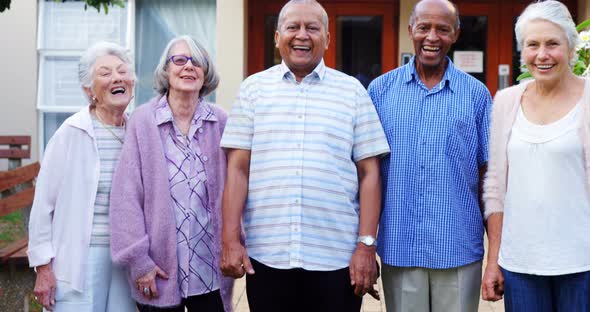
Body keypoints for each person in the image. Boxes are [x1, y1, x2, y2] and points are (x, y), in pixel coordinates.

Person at [219, 0, 390, 311]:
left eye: (312, 28)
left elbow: (370, 174)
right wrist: (230, 241)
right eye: (292, 27)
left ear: (327, 38)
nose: (302, 35)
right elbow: (237, 169)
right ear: (277, 36)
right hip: (268, 257)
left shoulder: (352, 92)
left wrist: (366, 245)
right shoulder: (253, 90)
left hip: (336, 259)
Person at [368, 0, 492, 311]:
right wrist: (364, 245)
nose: (432, 37)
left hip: (459, 248)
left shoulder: (476, 95)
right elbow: (366, 174)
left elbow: (489, 177)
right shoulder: (380, 91)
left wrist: (498, 256)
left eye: (442, 29)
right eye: (424, 27)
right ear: (411, 30)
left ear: (456, 34)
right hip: (399, 244)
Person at [109, 35, 233, 312]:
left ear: (206, 73)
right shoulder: (143, 121)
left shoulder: (221, 122)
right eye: (179, 60)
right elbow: (126, 197)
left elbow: (237, 189)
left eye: (197, 62)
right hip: (159, 271)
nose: (188, 67)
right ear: (166, 70)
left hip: (211, 271)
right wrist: (139, 262)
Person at [481, 1, 590, 310]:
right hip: (521, 264)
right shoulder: (506, 101)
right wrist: (494, 260)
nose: (542, 55)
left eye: (552, 43)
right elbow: (496, 189)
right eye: (533, 45)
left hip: (582, 264)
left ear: (570, 47)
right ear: (522, 50)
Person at [27, 41, 137, 312]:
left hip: (127, 256)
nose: (117, 78)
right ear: (90, 90)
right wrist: (43, 267)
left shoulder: (138, 131)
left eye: (122, 71)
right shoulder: (71, 132)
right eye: (106, 73)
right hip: (80, 256)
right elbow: (43, 205)